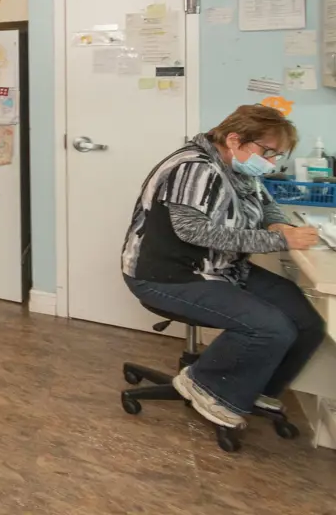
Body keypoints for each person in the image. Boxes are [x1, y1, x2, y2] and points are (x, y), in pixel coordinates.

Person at [120, 104, 326, 429]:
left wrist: (278, 226)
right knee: (271, 327)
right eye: (268, 152)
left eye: (277, 156)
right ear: (234, 139)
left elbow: (266, 203)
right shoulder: (194, 168)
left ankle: (252, 387)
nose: (271, 163)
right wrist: (281, 242)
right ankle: (204, 384)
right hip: (168, 275)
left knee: (306, 322)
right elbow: (195, 231)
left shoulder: (239, 168)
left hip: (221, 269)